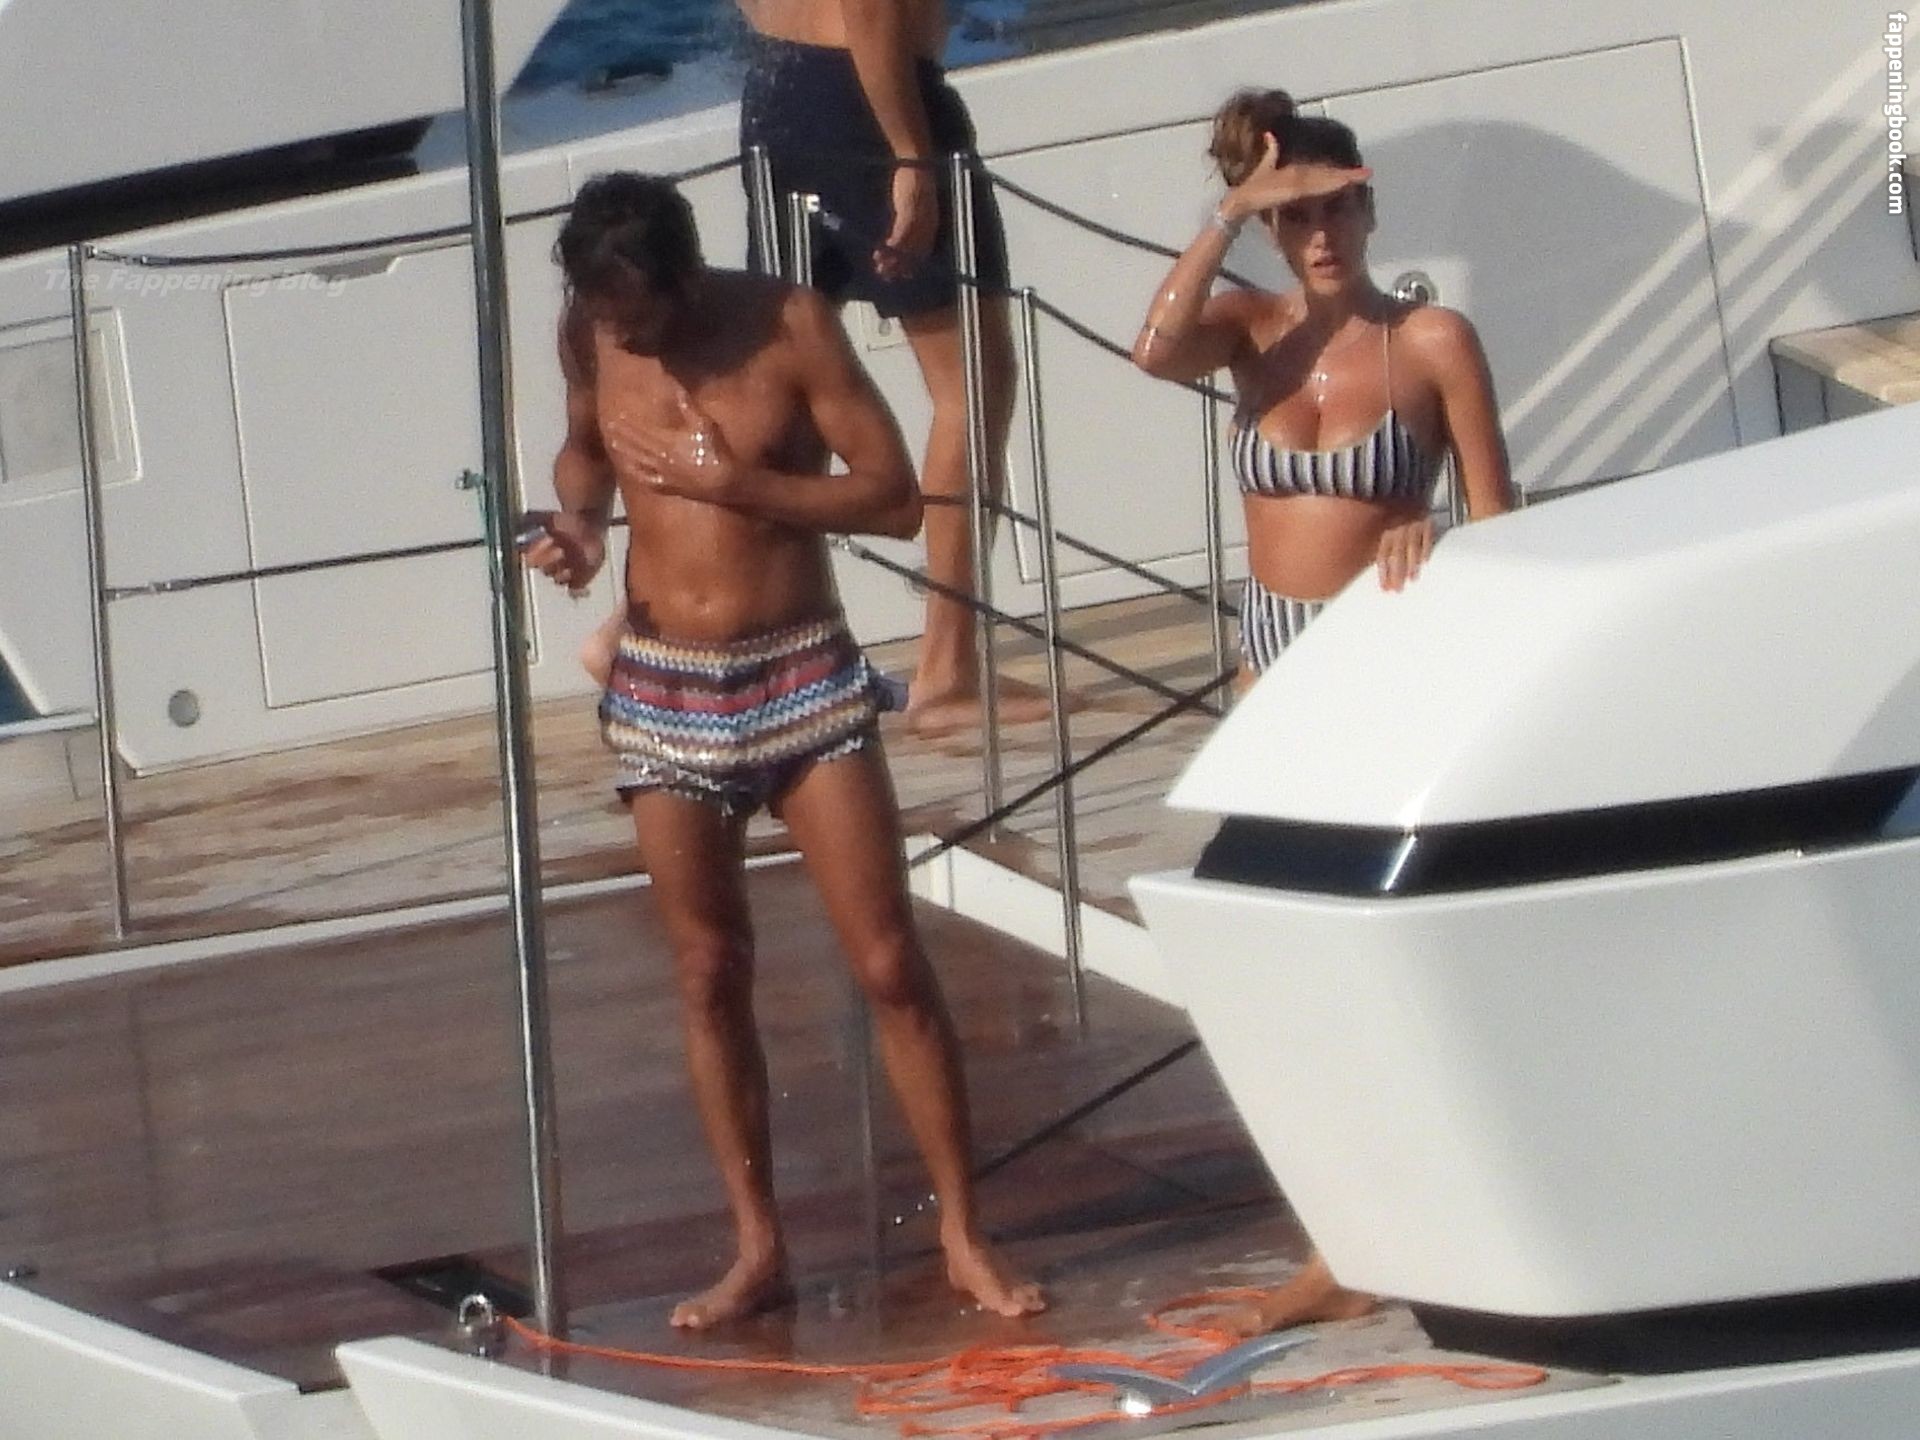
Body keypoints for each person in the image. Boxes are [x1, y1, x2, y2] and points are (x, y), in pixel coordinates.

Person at [522, 171, 1045, 1328]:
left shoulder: (790, 325)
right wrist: (578, 529)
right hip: (665, 686)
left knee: (888, 961)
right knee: (709, 970)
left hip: (801, 673)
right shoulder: (591, 332)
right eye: (610, 321)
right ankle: (758, 1245)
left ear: (686, 278)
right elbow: (583, 454)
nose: (630, 340)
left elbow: (895, 498)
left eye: (643, 317)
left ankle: (965, 1231)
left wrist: (743, 484)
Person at [1131, 89, 1513, 1333]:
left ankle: (1417, 1222)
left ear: (1368, 208)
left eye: (1337, 210)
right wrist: (1227, 212)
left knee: (1385, 954)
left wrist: (1435, 535)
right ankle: (1338, 1245)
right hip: (1271, 671)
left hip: (1381, 668)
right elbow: (1152, 351)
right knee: (1284, 972)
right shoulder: (1251, 331)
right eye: (1295, 219)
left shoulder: (1431, 339)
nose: (1321, 236)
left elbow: (1501, 523)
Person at [733, 0, 1054, 736]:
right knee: (972, 384)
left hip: (778, 92)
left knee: (778, 389)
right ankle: (946, 669)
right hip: (871, 99)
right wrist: (911, 151)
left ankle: (651, 632)